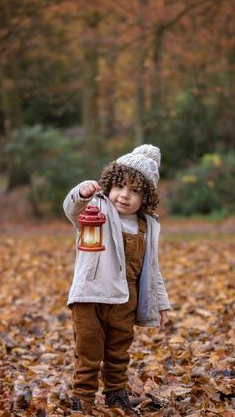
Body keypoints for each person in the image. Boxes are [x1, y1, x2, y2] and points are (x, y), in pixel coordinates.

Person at [63, 144, 170, 415]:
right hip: (90, 295)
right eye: (120, 186)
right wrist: (80, 193)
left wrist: (161, 302)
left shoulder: (147, 225)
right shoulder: (96, 209)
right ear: (109, 186)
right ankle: (82, 398)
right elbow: (71, 209)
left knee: (118, 352)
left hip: (125, 299)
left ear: (146, 197)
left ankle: (116, 394)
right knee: (88, 352)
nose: (125, 195)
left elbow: (153, 268)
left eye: (135, 191)